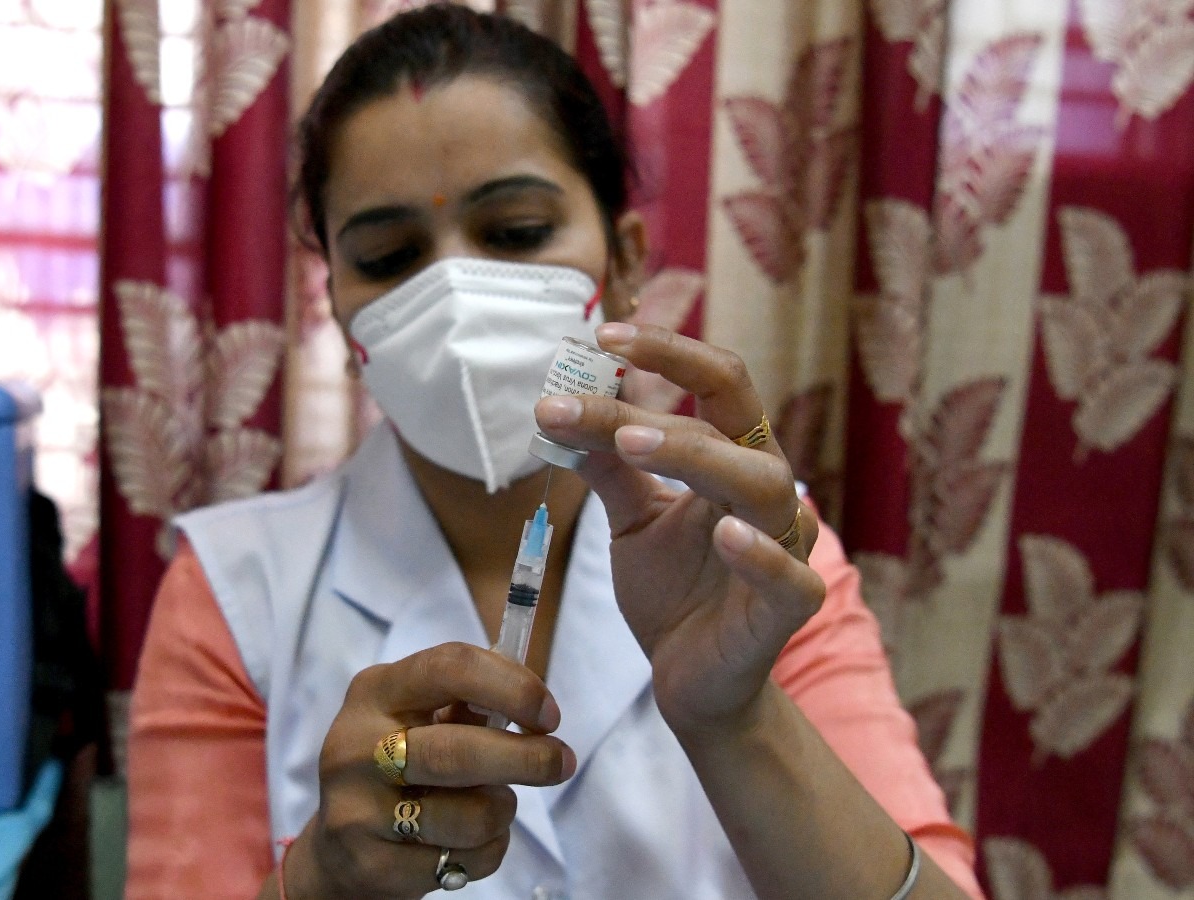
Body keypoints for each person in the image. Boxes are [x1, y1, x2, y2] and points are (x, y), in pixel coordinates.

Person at [126, 6, 984, 899]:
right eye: (388, 255)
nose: (454, 296)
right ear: (339, 311)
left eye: (517, 234)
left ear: (624, 260)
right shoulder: (235, 588)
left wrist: (738, 722)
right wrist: (316, 883)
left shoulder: (760, 550)